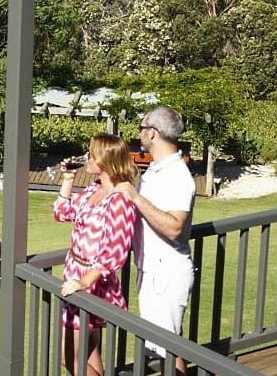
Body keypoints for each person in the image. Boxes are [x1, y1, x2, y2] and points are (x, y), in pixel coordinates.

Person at [117, 107, 195, 375]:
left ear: (152, 133)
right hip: (152, 270)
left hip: (167, 274)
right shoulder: (156, 169)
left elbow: (175, 228)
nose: (138, 133)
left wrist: (136, 198)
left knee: (168, 349)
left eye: (141, 128)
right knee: (163, 346)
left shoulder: (178, 176)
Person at [55, 133, 137, 376]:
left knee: (67, 355)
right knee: (89, 352)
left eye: (91, 153)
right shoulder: (94, 188)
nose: (86, 157)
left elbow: (116, 251)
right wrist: (68, 179)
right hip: (74, 275)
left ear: (106, 159)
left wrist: (84, 282)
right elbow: (62, 212)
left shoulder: (121, 198)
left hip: (92, 283)